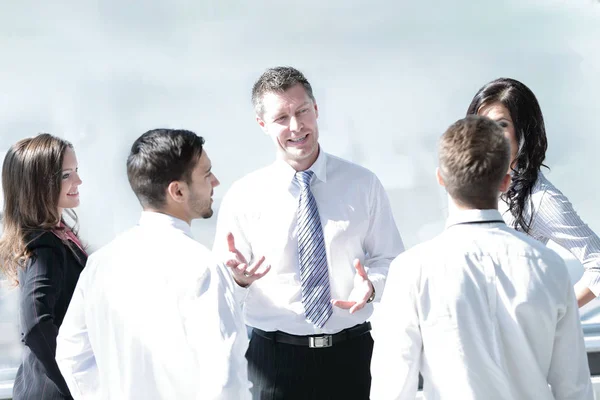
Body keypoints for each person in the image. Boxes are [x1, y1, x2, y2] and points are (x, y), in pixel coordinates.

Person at [213, 66, 404, 399]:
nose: (296, 126)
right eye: (281, 118)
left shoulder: (363, 184)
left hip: (353, 355)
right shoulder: (244, 196)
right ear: (262, 125)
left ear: (316, 110)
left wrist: (372, 285)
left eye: (302, 111)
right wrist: (240, 280)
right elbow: (221, 290)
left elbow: (391, 259)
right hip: (272, 361)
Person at [370, 115, 593, 399]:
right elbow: (574, 388)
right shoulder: (550, 267)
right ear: (505, 182)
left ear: (441, 178)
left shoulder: (411, 271)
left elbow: (392, 388)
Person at [55, 129, 251, 399]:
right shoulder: (201, 265)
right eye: (206, 174)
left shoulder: (100, 263)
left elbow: (71, 353)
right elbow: (227, 378)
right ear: (178, 190)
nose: (215, 182)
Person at [467, 77, 600, 307]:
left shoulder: (540, 198)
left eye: (501, 125)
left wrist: (552, 313)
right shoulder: (476, 184)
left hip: (513, 338)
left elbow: (597, 263)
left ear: (523, 130)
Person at [0, 133, 87, 400]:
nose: (78, 181)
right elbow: (36, 324)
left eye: (76, 171)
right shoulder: (44, 244)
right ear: (39, 185)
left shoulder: (54, 234)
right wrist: (73, 380)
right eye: (66, 175)